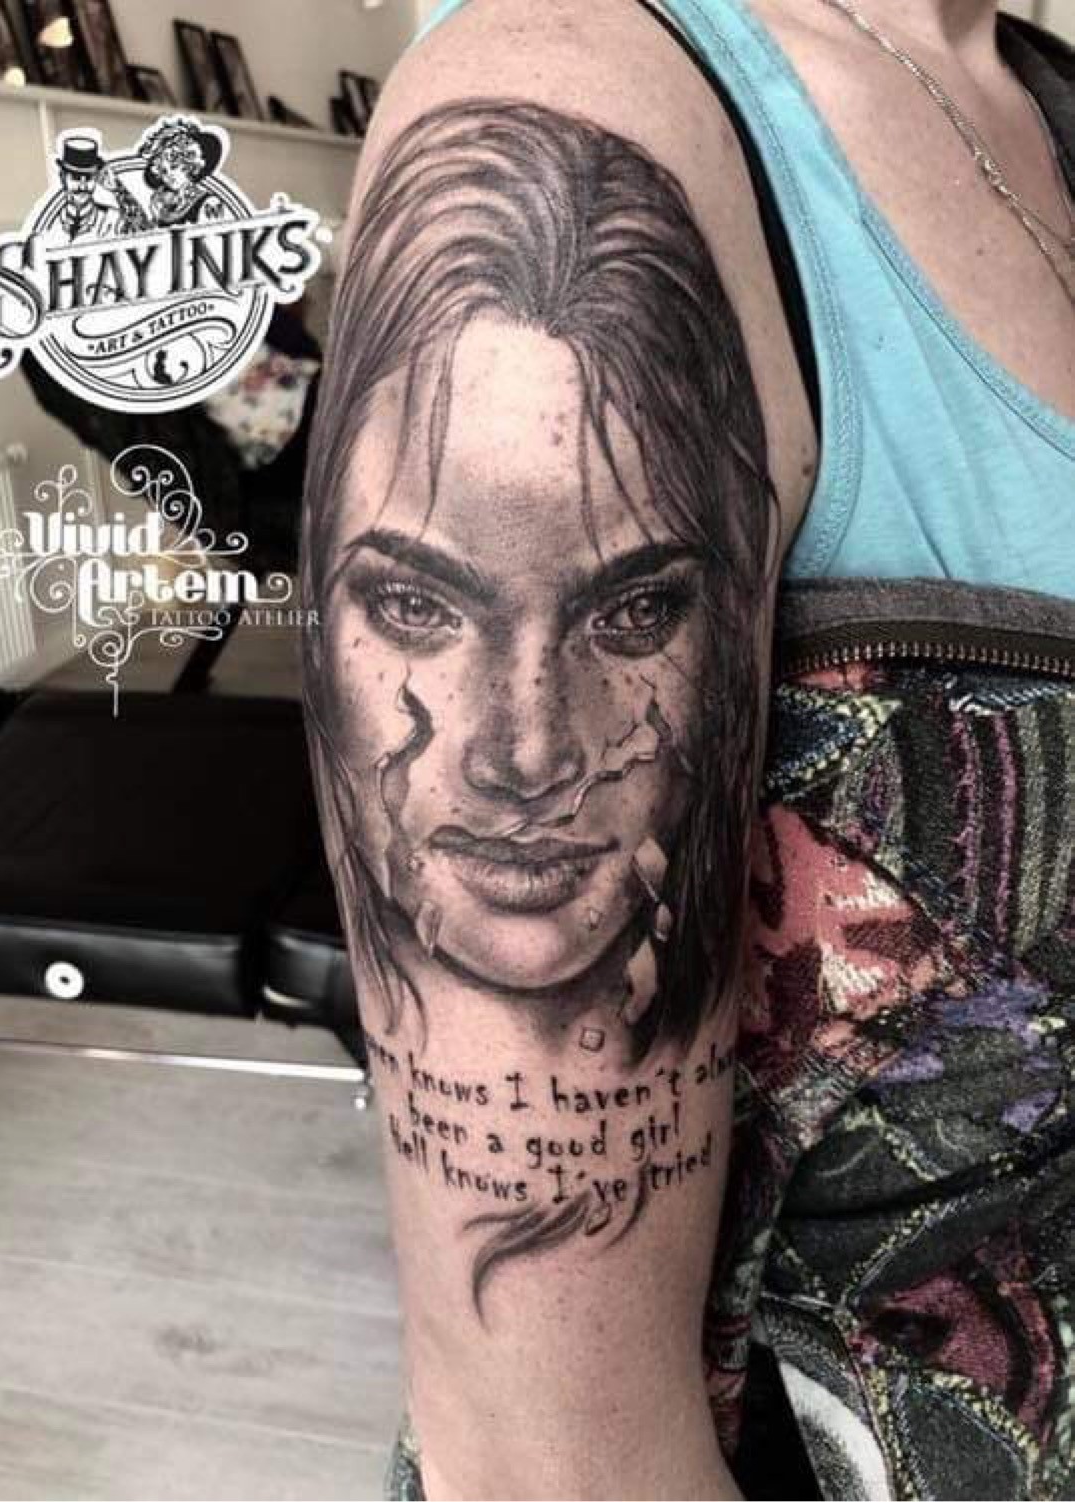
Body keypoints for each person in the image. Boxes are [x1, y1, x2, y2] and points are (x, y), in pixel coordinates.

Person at [300, 1, 1074, 1497]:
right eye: (419, 608)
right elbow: (546, 1463)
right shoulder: (588, 100)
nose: (523, 756)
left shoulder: (1037, 97)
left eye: (632, 612)